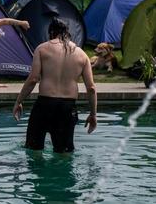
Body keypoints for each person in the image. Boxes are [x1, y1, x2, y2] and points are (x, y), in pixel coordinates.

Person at [12, 18, 97, 153]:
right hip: (67, 108)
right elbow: (91, 88)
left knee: (34, 150)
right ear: (67, 32)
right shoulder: (82, 54)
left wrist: (18, 101)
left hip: (44, 105)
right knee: (64, 153)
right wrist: (93, 114)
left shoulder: (42, 49)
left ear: (51, 32)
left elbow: (33, 79)